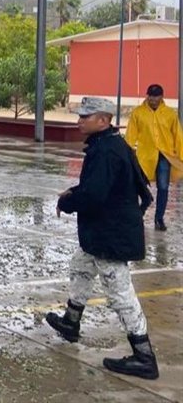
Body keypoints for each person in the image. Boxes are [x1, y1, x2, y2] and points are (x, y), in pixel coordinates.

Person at [45, 97, 159, 380]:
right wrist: (74, 192)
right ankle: (71, 322)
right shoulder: (108, 145)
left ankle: (144, 356)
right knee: (80, 267)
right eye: (80, 115)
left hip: (111, 235)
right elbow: (102, 185)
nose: (80, 120)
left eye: (86, 116)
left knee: (121, 294)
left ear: (103, 121)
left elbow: (95, 195)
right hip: (104, 232)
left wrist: (69, 203)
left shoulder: (106, 151)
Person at [124, 83, 182, 231]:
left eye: (156, 96)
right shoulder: (138, 113)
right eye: (151, 96)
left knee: (163, 187)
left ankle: (159, 218)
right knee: (139, 185)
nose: (153, 99)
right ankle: (140, 211)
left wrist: (181, 154)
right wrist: (126, 154)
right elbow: (131, 134)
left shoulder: (169, 114)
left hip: (165, 156)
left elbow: (177, 135)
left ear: (162, 96)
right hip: (145, 156)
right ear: (147, 96)